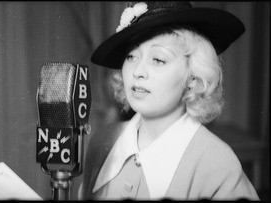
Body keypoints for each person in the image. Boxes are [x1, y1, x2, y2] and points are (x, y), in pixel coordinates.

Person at [80, 1, 260, 200]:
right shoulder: (102, 141)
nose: (137, 72)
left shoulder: (218, 164)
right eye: (131, 56)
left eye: (158, 59)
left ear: (193, 79)